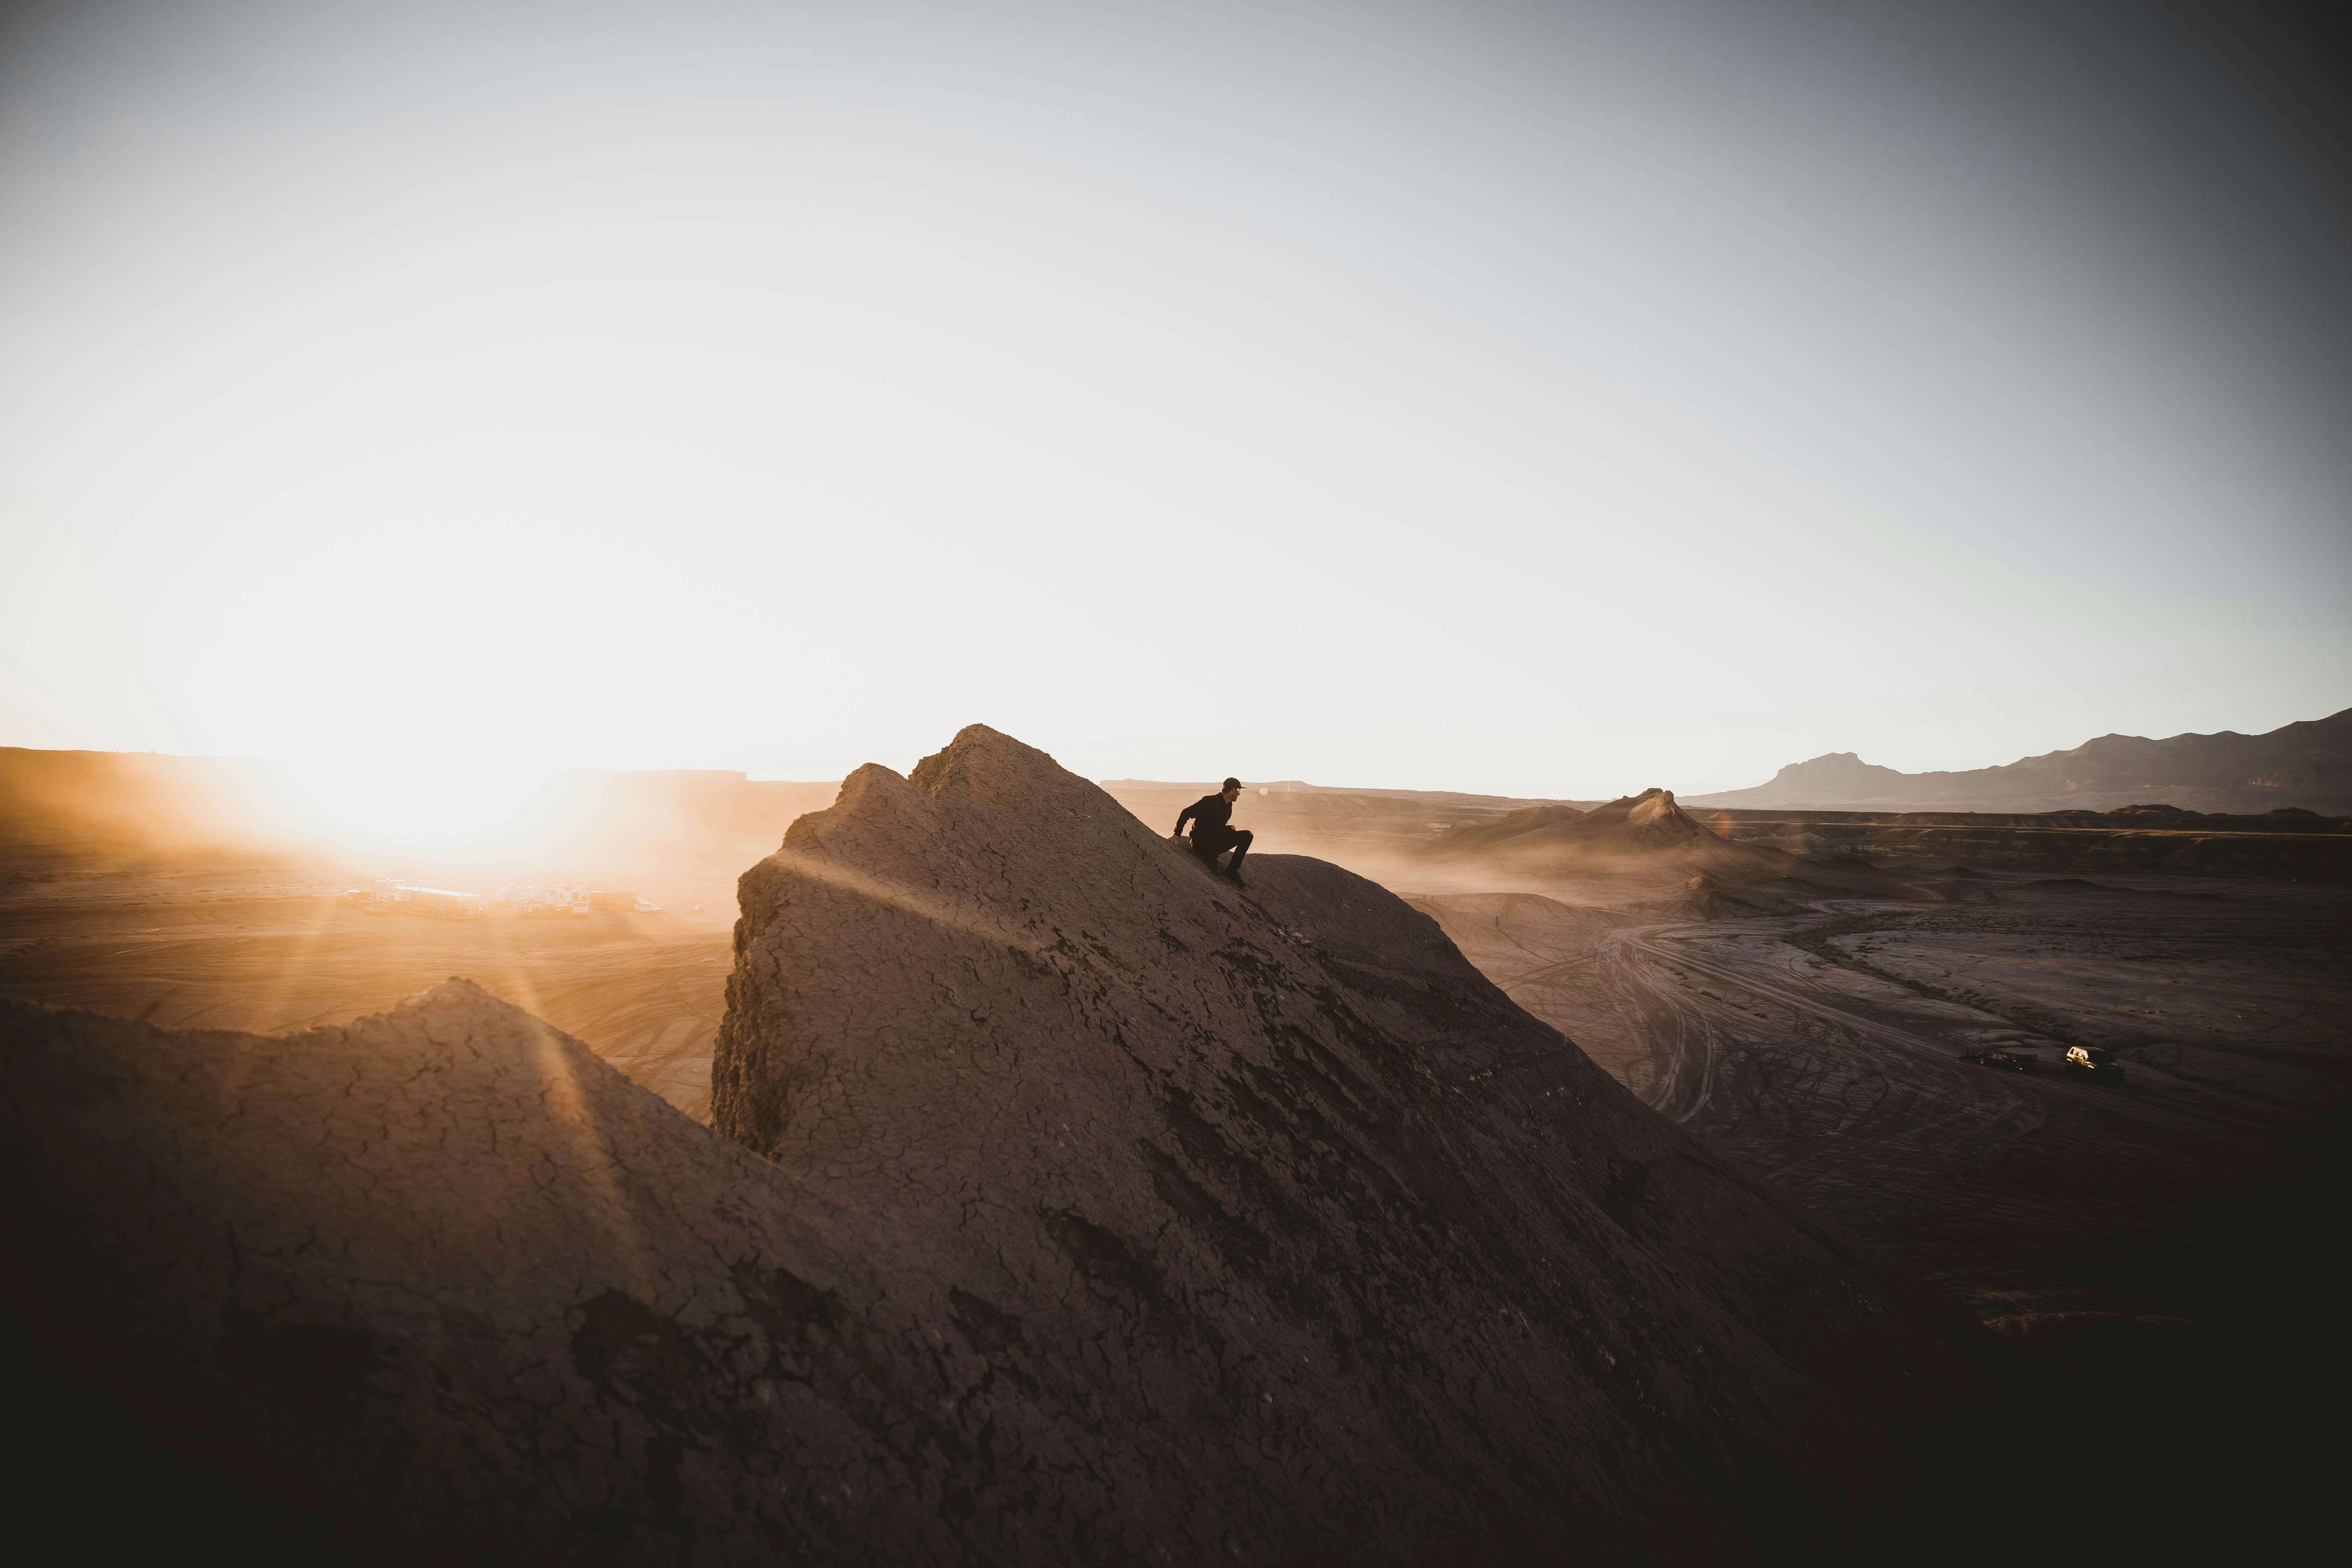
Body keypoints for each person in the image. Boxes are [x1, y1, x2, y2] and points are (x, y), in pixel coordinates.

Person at [1172, 777, 1253, 884]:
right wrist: (1177, 834)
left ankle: (1232, 871)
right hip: (1199, 842)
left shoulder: (1229, 806)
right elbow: (1186, 813)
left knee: (1248, 835)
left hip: (1213, 841)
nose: (1239, 794)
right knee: (1231, 831)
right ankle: (1210, 859)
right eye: (1238, 791)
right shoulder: (1210, 801)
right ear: (1233, 790)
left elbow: (1219, 829)